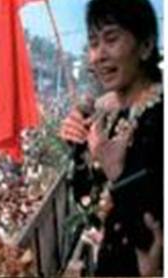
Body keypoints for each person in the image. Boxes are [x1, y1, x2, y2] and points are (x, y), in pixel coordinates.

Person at [59, 0, 163, 276]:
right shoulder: (101, 114)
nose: (98, 56)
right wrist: (78, 147)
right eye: (93, 43)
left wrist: (117, 172)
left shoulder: (159, 117)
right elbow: (85, 199)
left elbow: (150, 224)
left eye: (111, 39)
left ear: (146, 45)